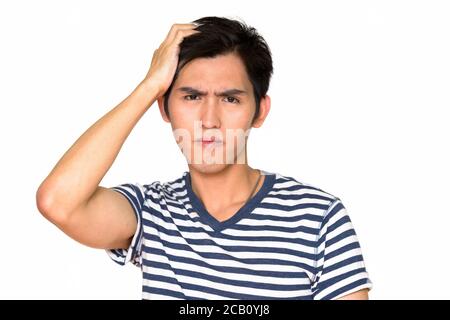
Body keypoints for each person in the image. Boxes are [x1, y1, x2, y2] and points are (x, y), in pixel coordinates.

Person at [36, 16, 372, 300]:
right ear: (164, 107)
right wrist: (150, 85)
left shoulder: (318, 217)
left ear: (259, 111)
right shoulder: (152, 212)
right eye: (192, 96)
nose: (209, 120)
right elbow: (58, 201)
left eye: (230, 99)